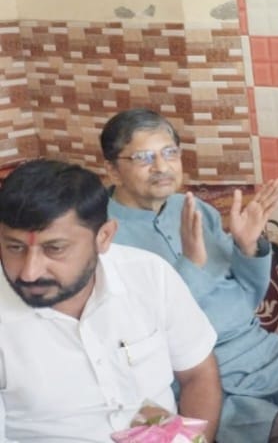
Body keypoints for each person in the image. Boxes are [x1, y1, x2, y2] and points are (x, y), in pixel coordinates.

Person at [101, 109, 278, 443]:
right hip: (207, 382)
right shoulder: (104, 237)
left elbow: (247, 298)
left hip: (266, 353)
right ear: (112, 170)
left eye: (169, 153)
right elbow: (133, 335)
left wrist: (247, 248)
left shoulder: (194, 208)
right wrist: (191, 266)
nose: (161, 166)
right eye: (144, 158)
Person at [0, 160, 221, 442]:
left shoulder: (150, 275)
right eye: (14, 247)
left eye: (55, 249)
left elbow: (198, 375)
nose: (29, 272)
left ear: (103, 237)